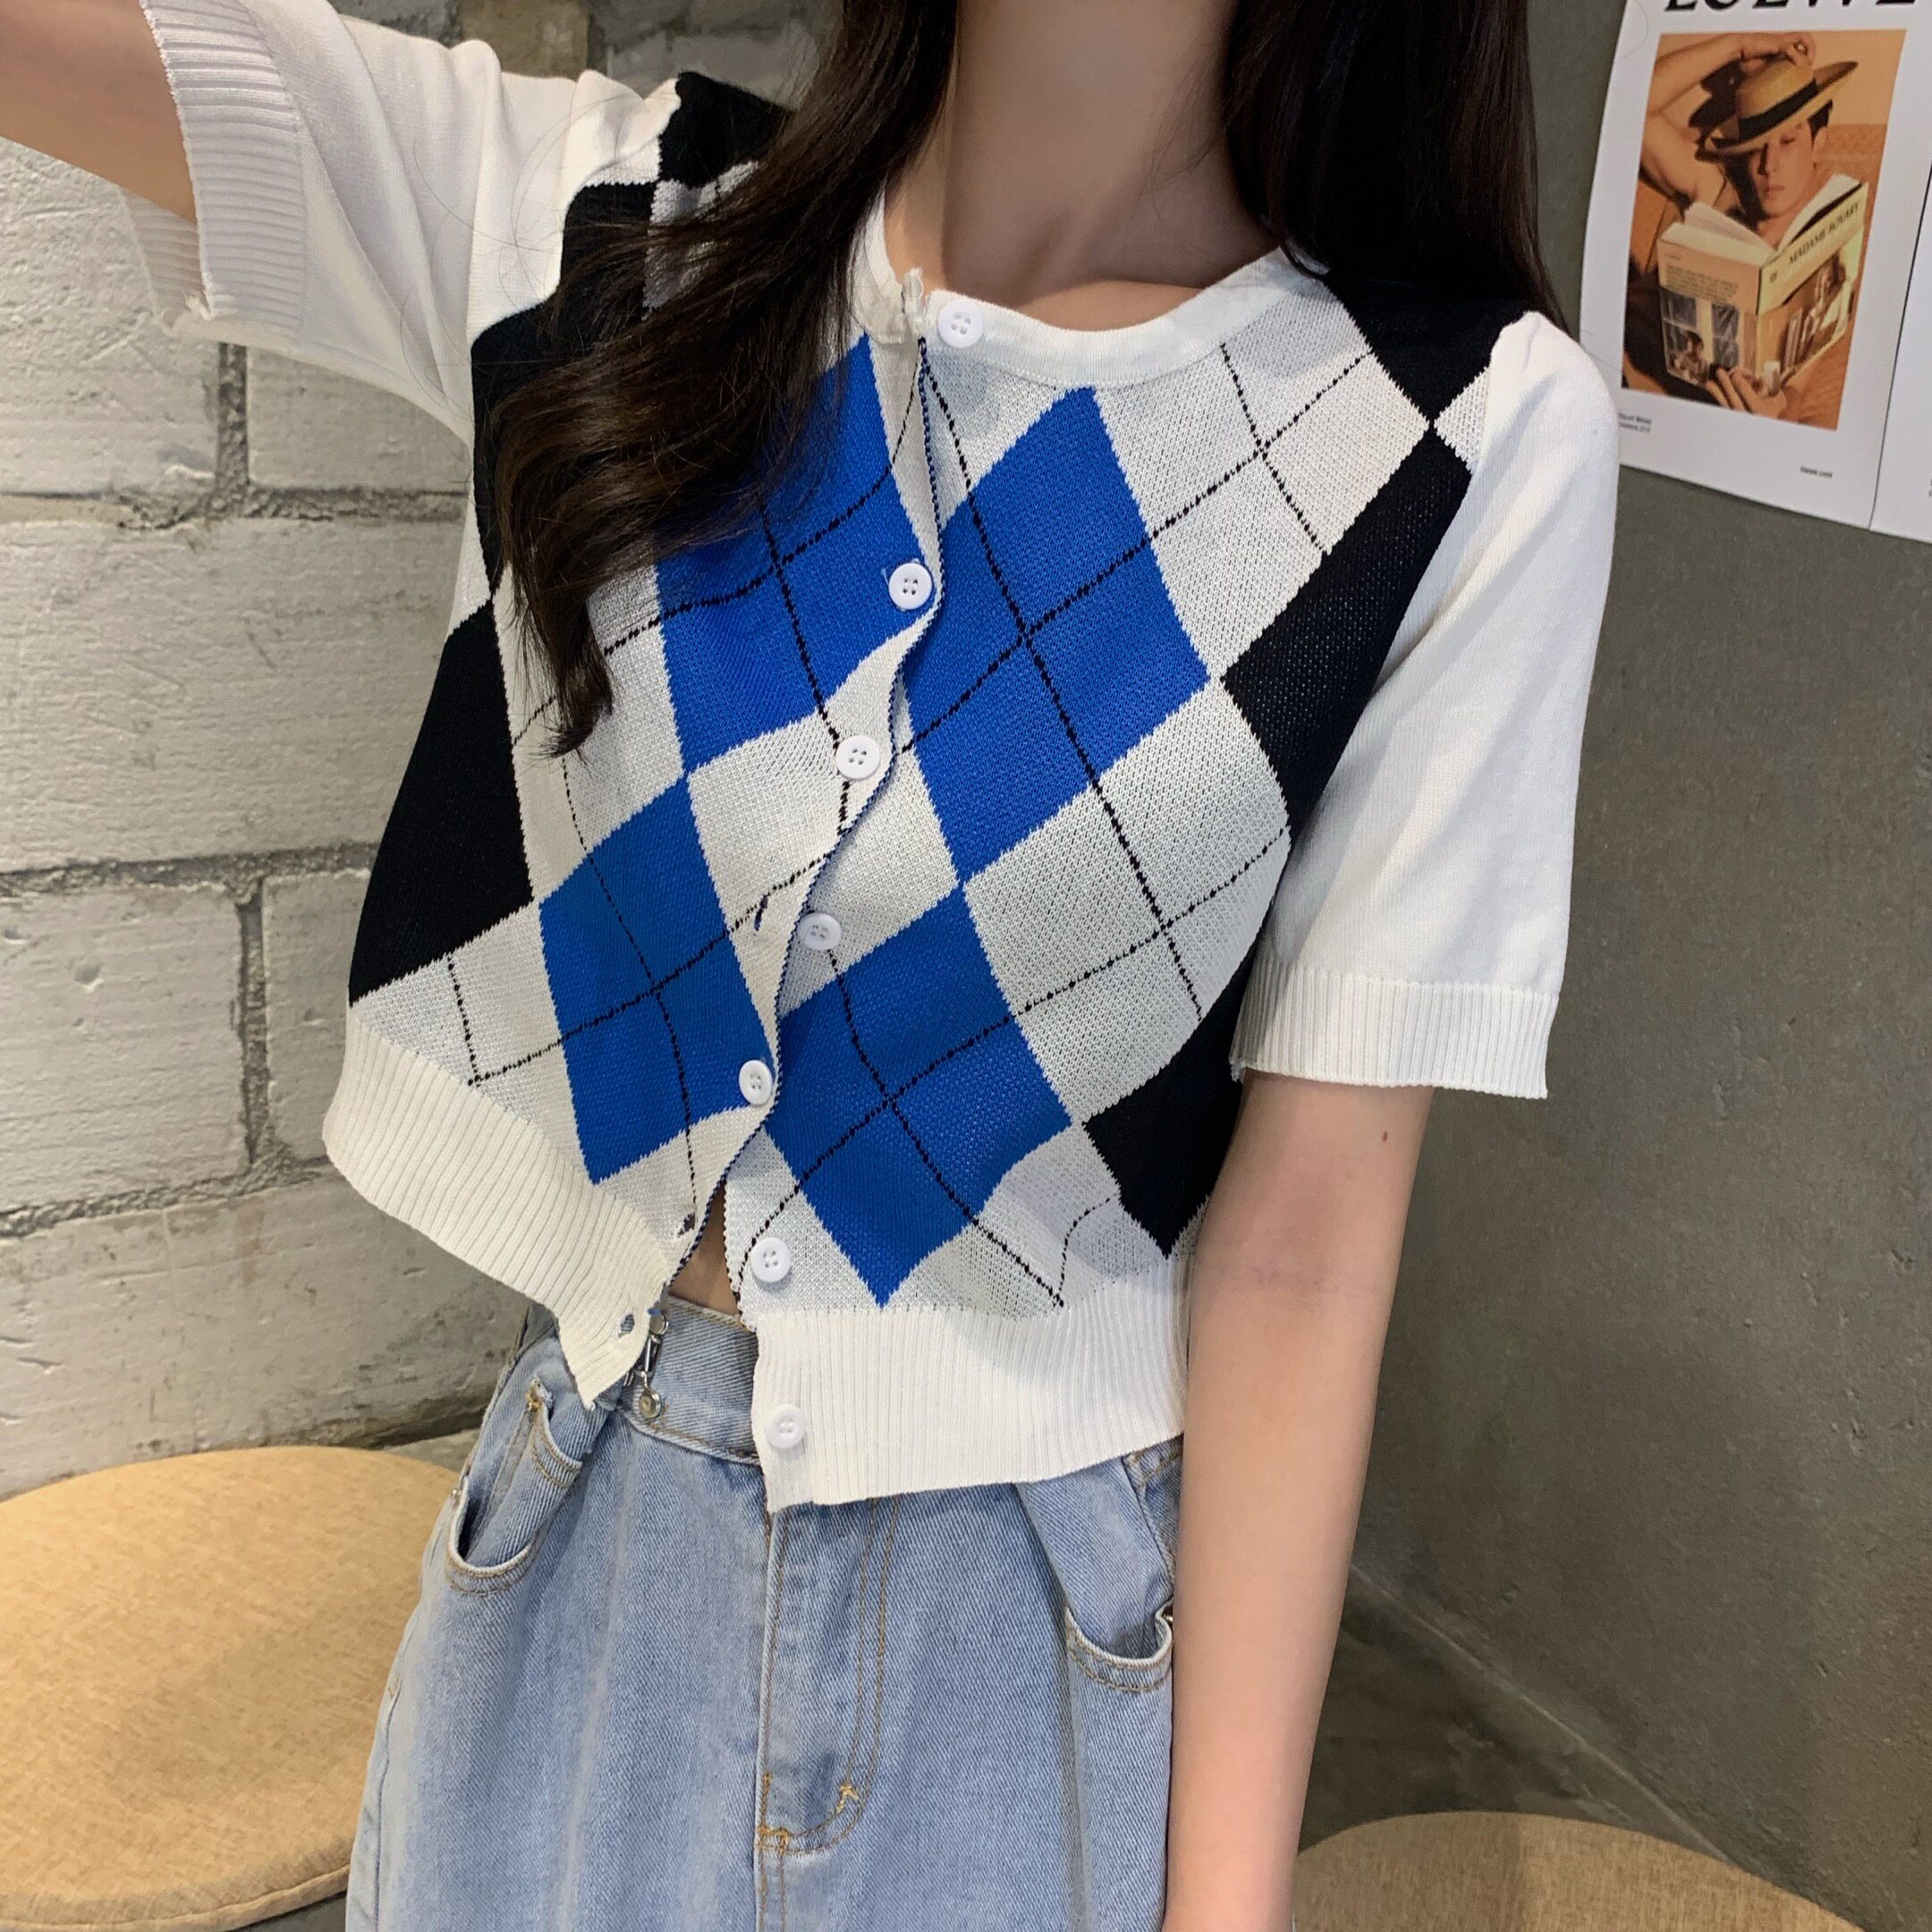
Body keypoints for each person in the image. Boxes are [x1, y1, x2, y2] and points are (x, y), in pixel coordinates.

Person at [0, 0, 1616, 1925]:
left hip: (1019, 1636)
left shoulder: (1460, 434)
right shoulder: (605, 224)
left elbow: (1306, 1246)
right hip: (568, 1531)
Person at [1640, 34, 1859, 416]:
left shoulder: (1827, 241)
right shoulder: (1718, 192)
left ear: (1818, 143)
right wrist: (1738, 45)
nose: (1769, 166)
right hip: (1642, 369)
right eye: (1757, 147)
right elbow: (1631, 109)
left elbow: (1796, 392)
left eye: (1788, 141)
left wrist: (1776, 409)